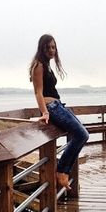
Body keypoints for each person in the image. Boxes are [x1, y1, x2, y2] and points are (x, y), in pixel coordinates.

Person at [29, 34, 89, 190]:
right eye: (48, 47)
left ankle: (63, 171)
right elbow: (38, 93)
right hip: (52, 108)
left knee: (82, 133)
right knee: (82, 134)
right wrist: (45, 112)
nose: (51, 50)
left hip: (58, 105)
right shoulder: (39, 65)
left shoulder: (47, 65)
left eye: (53, 47)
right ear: (41, 48)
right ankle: (61, 171)